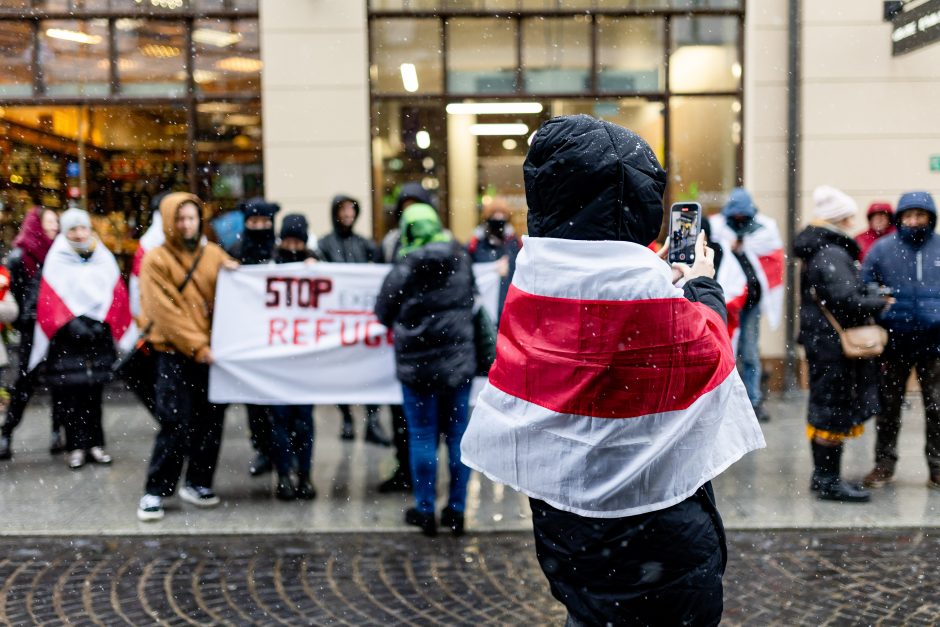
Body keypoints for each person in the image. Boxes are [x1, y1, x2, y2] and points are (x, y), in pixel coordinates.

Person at [460, 115, 764, 625]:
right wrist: (701, 286)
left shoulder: (539, 271)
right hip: (656, 543)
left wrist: (653, 281)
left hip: (568, 526)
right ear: (639, 199)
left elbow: (602, 336)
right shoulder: (637, 290)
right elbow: (709, 357)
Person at [375, 203, 477, 537]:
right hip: (457, 365)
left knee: (421, 436)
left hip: (417, 368)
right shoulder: (461, 257)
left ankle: (425, 510)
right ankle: (457, 511)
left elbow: (382, 311)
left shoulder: (405, 265)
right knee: (458, 437)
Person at [137, 192, 237, 522]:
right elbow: (166, 314)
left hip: (209, 355)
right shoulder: (156, 260)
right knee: (175, 421)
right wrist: (198, 345)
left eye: (192, 218)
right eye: (180, 218)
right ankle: (156, 489)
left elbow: (237, 288)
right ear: (169, 222)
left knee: (210, 421)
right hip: (174, 354)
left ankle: (198, 482)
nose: (186, 224)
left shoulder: (214, 254)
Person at [794, 186, 891, 502]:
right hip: (832, 347)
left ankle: (823, 476)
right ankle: (828, 479)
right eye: (849, 217)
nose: (853, 223)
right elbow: (847, 300)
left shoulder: (820, 250)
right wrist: (878, 299)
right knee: (832, 408)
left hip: (823, 342)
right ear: (839, 219)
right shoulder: (831, 252)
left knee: (826, 406)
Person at [30, 208, 135, 469]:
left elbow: (116, 294)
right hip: (68, 342)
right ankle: (75, 446)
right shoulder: (56, 259)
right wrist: (71, 323)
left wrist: (101, 322)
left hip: (96, 340)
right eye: (73, 229)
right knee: (71, 397)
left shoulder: (102, 256)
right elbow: (50, 299)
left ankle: (96, 444)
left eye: (83, 228)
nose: (79, 234)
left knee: (94, 395)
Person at [861, 190, 940, 490]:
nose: (914, 221)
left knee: (937, 407)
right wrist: (881, 300)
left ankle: (937, 467)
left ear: (930, 218)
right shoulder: (882, 249)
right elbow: (866, 283)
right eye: (909, 215)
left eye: (920, 215)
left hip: (935, 343)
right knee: (889, 407)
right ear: (900, 218)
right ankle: (884, 464)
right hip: (894, 342)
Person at [318, 194, 391, 447]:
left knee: (369, 367)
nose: (348, 215)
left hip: (363, 319)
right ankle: (347, 418)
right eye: (343, 210)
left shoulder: (365, 244)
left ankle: (372, 420)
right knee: (342, 370)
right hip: (339, 320)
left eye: (352, 210)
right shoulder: (325, 244)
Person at [709, 188, 785, 422]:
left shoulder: (765, 230)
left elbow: (770, 260)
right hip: (727, 303)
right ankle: (729, 402)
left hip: (749, 304)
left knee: (749, 352)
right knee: (726, 351)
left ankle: (753, 400)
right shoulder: (717, 229)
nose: (740, 221)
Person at [228, 197, 281, 477]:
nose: (260, 226)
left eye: (264, 222)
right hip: (249, 337)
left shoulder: (281, 251)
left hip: (280, 337)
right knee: (255, 402)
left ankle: (285, 450)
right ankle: (262, 449)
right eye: (254, 222)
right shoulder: (236, 251)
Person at [0, 206, 59, 460]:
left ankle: (59, 432)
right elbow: (13, 295)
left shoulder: (59, 254)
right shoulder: (19, 257)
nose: (55, 227)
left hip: (55, 329)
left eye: (57, 222)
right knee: (25, 384)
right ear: (37, 224)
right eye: (50, 222)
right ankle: (7, 432)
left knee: (60, 383)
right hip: (32, 331)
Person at [268, 214, 318, 500]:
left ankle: (304, 474)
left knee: (304, 422)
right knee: (280, 422)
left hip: (304, 362)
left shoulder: (315, 264)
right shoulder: (271, 267)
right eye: (288, 240)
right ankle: (284, 474)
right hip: (280, 361)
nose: (293, 246)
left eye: (297, 240)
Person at [467, 197, 522, 322]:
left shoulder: (515, 244)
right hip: (484, 310)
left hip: (509, 307)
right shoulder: (475, 244)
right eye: (494, 214)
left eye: (502, 214)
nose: (498, 218)